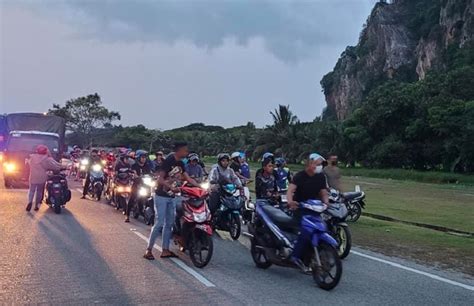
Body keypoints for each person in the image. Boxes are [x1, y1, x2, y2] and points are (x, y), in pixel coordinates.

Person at [144, 142, 198, 260]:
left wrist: (199, 187)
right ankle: (148, 250)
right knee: (159, 223)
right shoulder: (168, 161)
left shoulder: (180, 163)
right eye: (185, 150)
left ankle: (165, 250)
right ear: (179, 150)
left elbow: (187, 177)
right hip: (161, 196)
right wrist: (170, 187)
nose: (186, 152)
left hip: (172, 197)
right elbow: (160, 179)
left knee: (169, 224)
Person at [286, 153, 329, 272]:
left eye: (321, 165)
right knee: (304, 233)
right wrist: (291, 202)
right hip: (300, 210)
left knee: (323, 228)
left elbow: (323, 192)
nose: (320, 167)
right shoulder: (300, 176)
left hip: (315, 210)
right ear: (310, 164)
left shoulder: (321, 177)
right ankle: (295, 256)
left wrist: (326, 202)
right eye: (318, 164)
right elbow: (290, 191)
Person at [26, 145, 63, 211]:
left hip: (32, 176)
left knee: (31, 190)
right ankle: (36, 205)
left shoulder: (32, 157)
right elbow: (54, 166)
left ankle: (30, 202)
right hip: (42, 178)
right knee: (39, 192)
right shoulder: (46, 159)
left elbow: (27, 163)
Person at [125, 150, 152, 222]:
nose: (144, 159)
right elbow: (132, 173)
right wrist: (134, 175)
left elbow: (150, 174)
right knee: (132, 198)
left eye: (145, 157)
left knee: (150, 196)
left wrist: (154, 177)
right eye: (142, 157)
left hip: (145, 185)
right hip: (136, 185)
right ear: (138, 158)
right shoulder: (134, 166)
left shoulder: (147, 166)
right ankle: (127, 216)